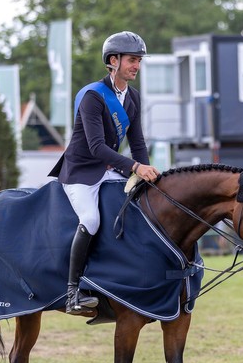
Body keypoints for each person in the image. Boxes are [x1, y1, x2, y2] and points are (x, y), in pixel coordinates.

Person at [48, 30, 160, 314]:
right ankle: (73, 292)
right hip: (80, 172)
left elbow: (137, 142)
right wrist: (135, 167)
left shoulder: (132, 97)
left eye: (139, 60)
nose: (137, 65)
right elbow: (96, 147)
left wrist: (147, 174)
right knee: (92, 219)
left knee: (140, 204)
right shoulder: (93, 97)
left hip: (109, 170)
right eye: (132, 60)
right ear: (114, 60)